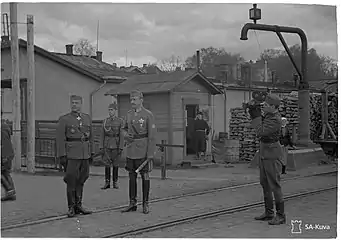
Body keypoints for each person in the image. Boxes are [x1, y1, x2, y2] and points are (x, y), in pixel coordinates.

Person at [249, 94, 286, 225]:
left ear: (273, 107)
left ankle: (280, 215)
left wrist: (255, 116)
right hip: (265, 152)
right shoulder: (269, 116)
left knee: (274, 185)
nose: (263, 106)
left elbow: (261, 132)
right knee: (264, 183)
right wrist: (254, 113)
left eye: (266, 105)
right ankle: (269, 213)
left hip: (272, 153)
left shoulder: (275, 119)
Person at [56, 95, 93, 218]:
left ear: (81, 104)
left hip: (84, 154)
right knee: (71, 180)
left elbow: (90, 137)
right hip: (72, 154)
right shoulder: (64, 119)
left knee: (82, 178)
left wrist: (90, 152)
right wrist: (62, 155)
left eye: (77, 103)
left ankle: (79, 204)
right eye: (72, 103)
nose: (74, 105)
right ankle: (71, 207)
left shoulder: (87, 118)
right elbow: (60, 139)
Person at [121, 90, 156, 214]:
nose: (132, 102)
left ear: (141, 100)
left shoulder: (148, 115)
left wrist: (150, 153)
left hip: (143, 150)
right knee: (131, 177)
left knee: (145, 176)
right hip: (131, 150)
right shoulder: (129, 114)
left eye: (135, 99)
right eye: (131, 100)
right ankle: (132, 203)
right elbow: (124, 128)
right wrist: (125, 136)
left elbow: (152, 136)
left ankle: (145, 203)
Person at [99, 102, 124, 189]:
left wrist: (121, 147)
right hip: (107, 145)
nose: (110, 112)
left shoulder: (120, 121)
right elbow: (102, 134)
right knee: (107, 164)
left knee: (116, 164)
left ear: (115, 111)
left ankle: (115, 182)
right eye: (109, 110)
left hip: (116, 145)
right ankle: (107, 182)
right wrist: (101, 146)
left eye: (112, 110)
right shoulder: (105, 121)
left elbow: (122, 135)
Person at [1, 113, 16, 201]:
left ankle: (10, 191)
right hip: (7, 153)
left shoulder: (2, 128)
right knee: (5, 173)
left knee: (3, 173)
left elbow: (4, 143)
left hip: (4, 154)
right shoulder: (4, 126)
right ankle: (11, 192)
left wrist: (4, 157)